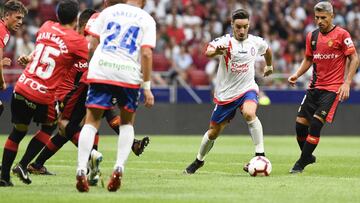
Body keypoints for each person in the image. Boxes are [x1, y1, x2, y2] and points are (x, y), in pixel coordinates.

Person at [26, 8, 150, 187]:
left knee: (81, 125)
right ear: (86, 26)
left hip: (81, 89)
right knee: (72, 127)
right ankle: (93, 162)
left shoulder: (87, 45)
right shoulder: (74, 43)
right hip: (65, 93)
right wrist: (30, 57)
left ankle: (37, 164)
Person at [0, 0, 88, 187]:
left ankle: (4, 176)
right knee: (50, 126)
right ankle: (23, 165)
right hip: (43, 93)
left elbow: (46, 48)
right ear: (76, 18)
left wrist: (31, 58)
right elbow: (90, 59)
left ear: (57, 15)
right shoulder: (77, 41)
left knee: (18, 131)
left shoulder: (46, 26)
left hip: (21, 86)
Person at [76, 0, 156, 192]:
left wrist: (92, 69)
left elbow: (92, 45)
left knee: (91, 122)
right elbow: (145, 53)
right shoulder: (146, 18)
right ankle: (118, 167)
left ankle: (80, 170)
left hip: (101, 70)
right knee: (127, 123)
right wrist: (146, 87)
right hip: (128, 74)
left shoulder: (109, 12)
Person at [183, 9, 273, 174]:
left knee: (249, 113)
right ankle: (199, 160)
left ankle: (260, 154)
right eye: (238, 27)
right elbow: (208, 51)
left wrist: (269, 65)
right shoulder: (225, 41)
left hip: (247, 88)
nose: (241, 30)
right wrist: (217, 51)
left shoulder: (255, 42)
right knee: (213, 133)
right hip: (226, 95)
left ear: (249, 25)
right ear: (232, 25)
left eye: (245, 27)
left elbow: (267, 50)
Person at [288, 1, 359, 174]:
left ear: (332, 16)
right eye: (317, 17)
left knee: (315, 125)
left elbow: (354, 58)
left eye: (323, 18)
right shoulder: (311, 36)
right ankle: (308, 156)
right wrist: (297, 74)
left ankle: (300, 163)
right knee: (299, 126)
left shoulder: (342, 35)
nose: (319, 21)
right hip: (314, 88)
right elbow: (308, 58)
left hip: (332, 89)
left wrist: (347, 82)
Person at [0, 0, 27, 117]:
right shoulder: (2, 31)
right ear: (7, 16)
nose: (20, 22)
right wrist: (2, 82)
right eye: (18, 17)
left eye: (22, 19)